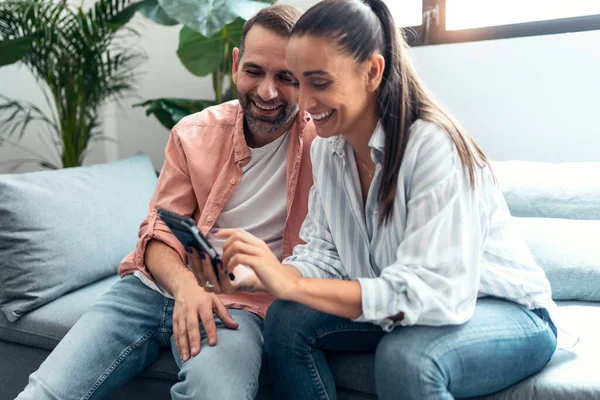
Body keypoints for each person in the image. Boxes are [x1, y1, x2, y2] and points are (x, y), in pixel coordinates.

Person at [193, 0, 558, 399]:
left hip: (500, 308)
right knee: (285, 319)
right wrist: (260, 278)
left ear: (371, 72)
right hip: (411, 307)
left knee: (407, 358)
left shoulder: (432, 147)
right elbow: (325, 254)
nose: (304, 102)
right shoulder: (329, 151)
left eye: (320, 82)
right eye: (298, 82)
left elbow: (429, 295)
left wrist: (290, 284)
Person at [17, 4, 315, 400]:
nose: (267, 92)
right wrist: (186, 286)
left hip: (238, 307)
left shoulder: (326, 149)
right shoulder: (193, 134)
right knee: (45, 392)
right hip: (150, 289)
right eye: (255, 71)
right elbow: (157, 233)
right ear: (235, 64)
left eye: (286, 78)